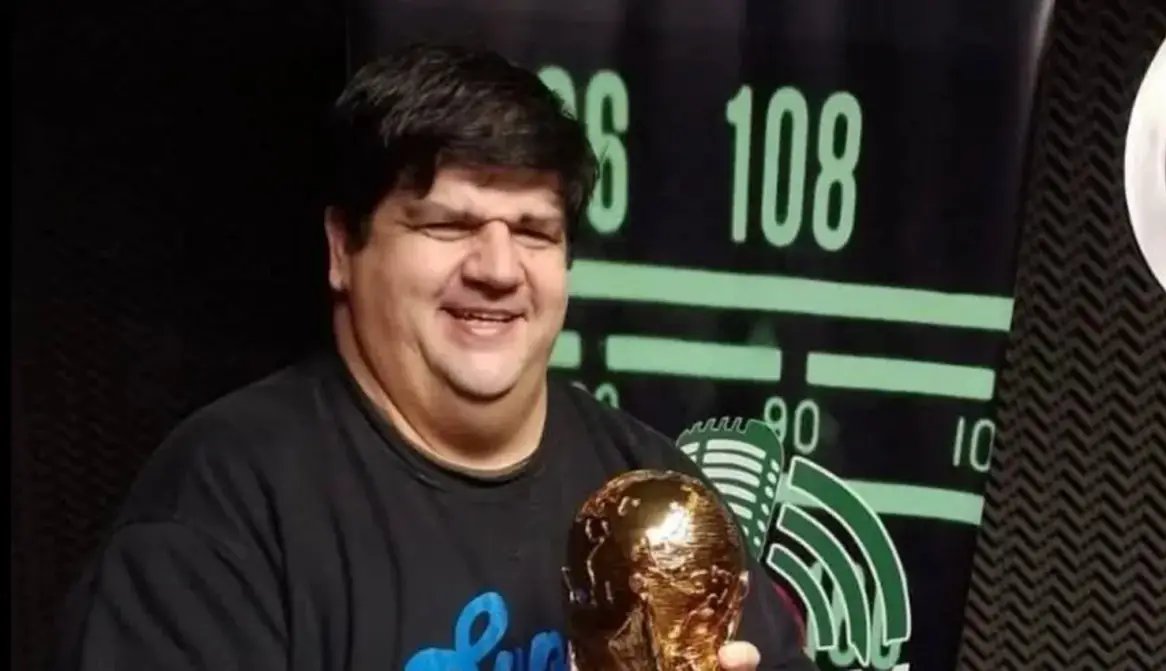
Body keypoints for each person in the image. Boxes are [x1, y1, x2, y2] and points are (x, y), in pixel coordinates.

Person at [51, 43, 814, 671]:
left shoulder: (653, 490)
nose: (498, 268)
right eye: (447, 225)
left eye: (534, 231)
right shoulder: (225, 506)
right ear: (342, 249)